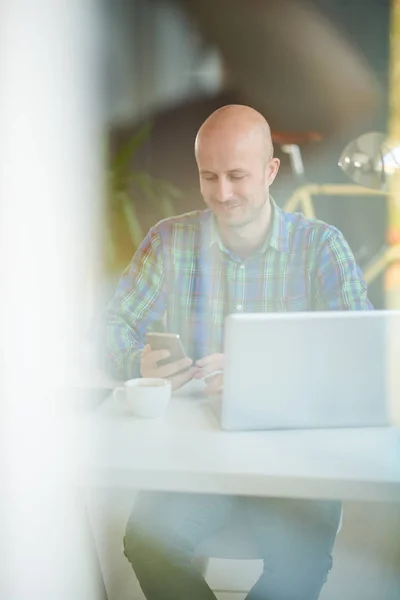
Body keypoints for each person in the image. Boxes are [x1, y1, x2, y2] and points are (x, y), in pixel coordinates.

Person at [101, 105, 372, 599]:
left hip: (297, 461)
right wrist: (132, 360)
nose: (222, 193)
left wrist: (263, 376)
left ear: (271, 171)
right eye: (210, 176)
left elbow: (366, 360)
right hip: (196, 459)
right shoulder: (169, 241)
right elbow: (112, 327)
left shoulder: (321, 247)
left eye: (237, 176)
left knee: (298, 567)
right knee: (146, 542)